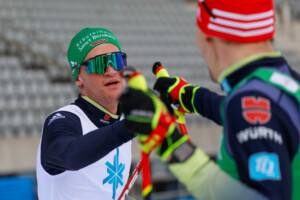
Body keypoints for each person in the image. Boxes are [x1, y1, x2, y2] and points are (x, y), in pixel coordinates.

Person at [119, 0, 300, 199]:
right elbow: (238, 111)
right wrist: (190, 96)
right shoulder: (283, 83)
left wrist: (169, 142)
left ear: (209, 38)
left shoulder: (248, 100)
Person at [36, 27, 135, 200]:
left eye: (117, 60)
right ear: (78, 78)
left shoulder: (124, 118)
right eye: (99, 63)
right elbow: (69, 155)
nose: (111, 70)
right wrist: (127, 128)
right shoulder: (63, 120)